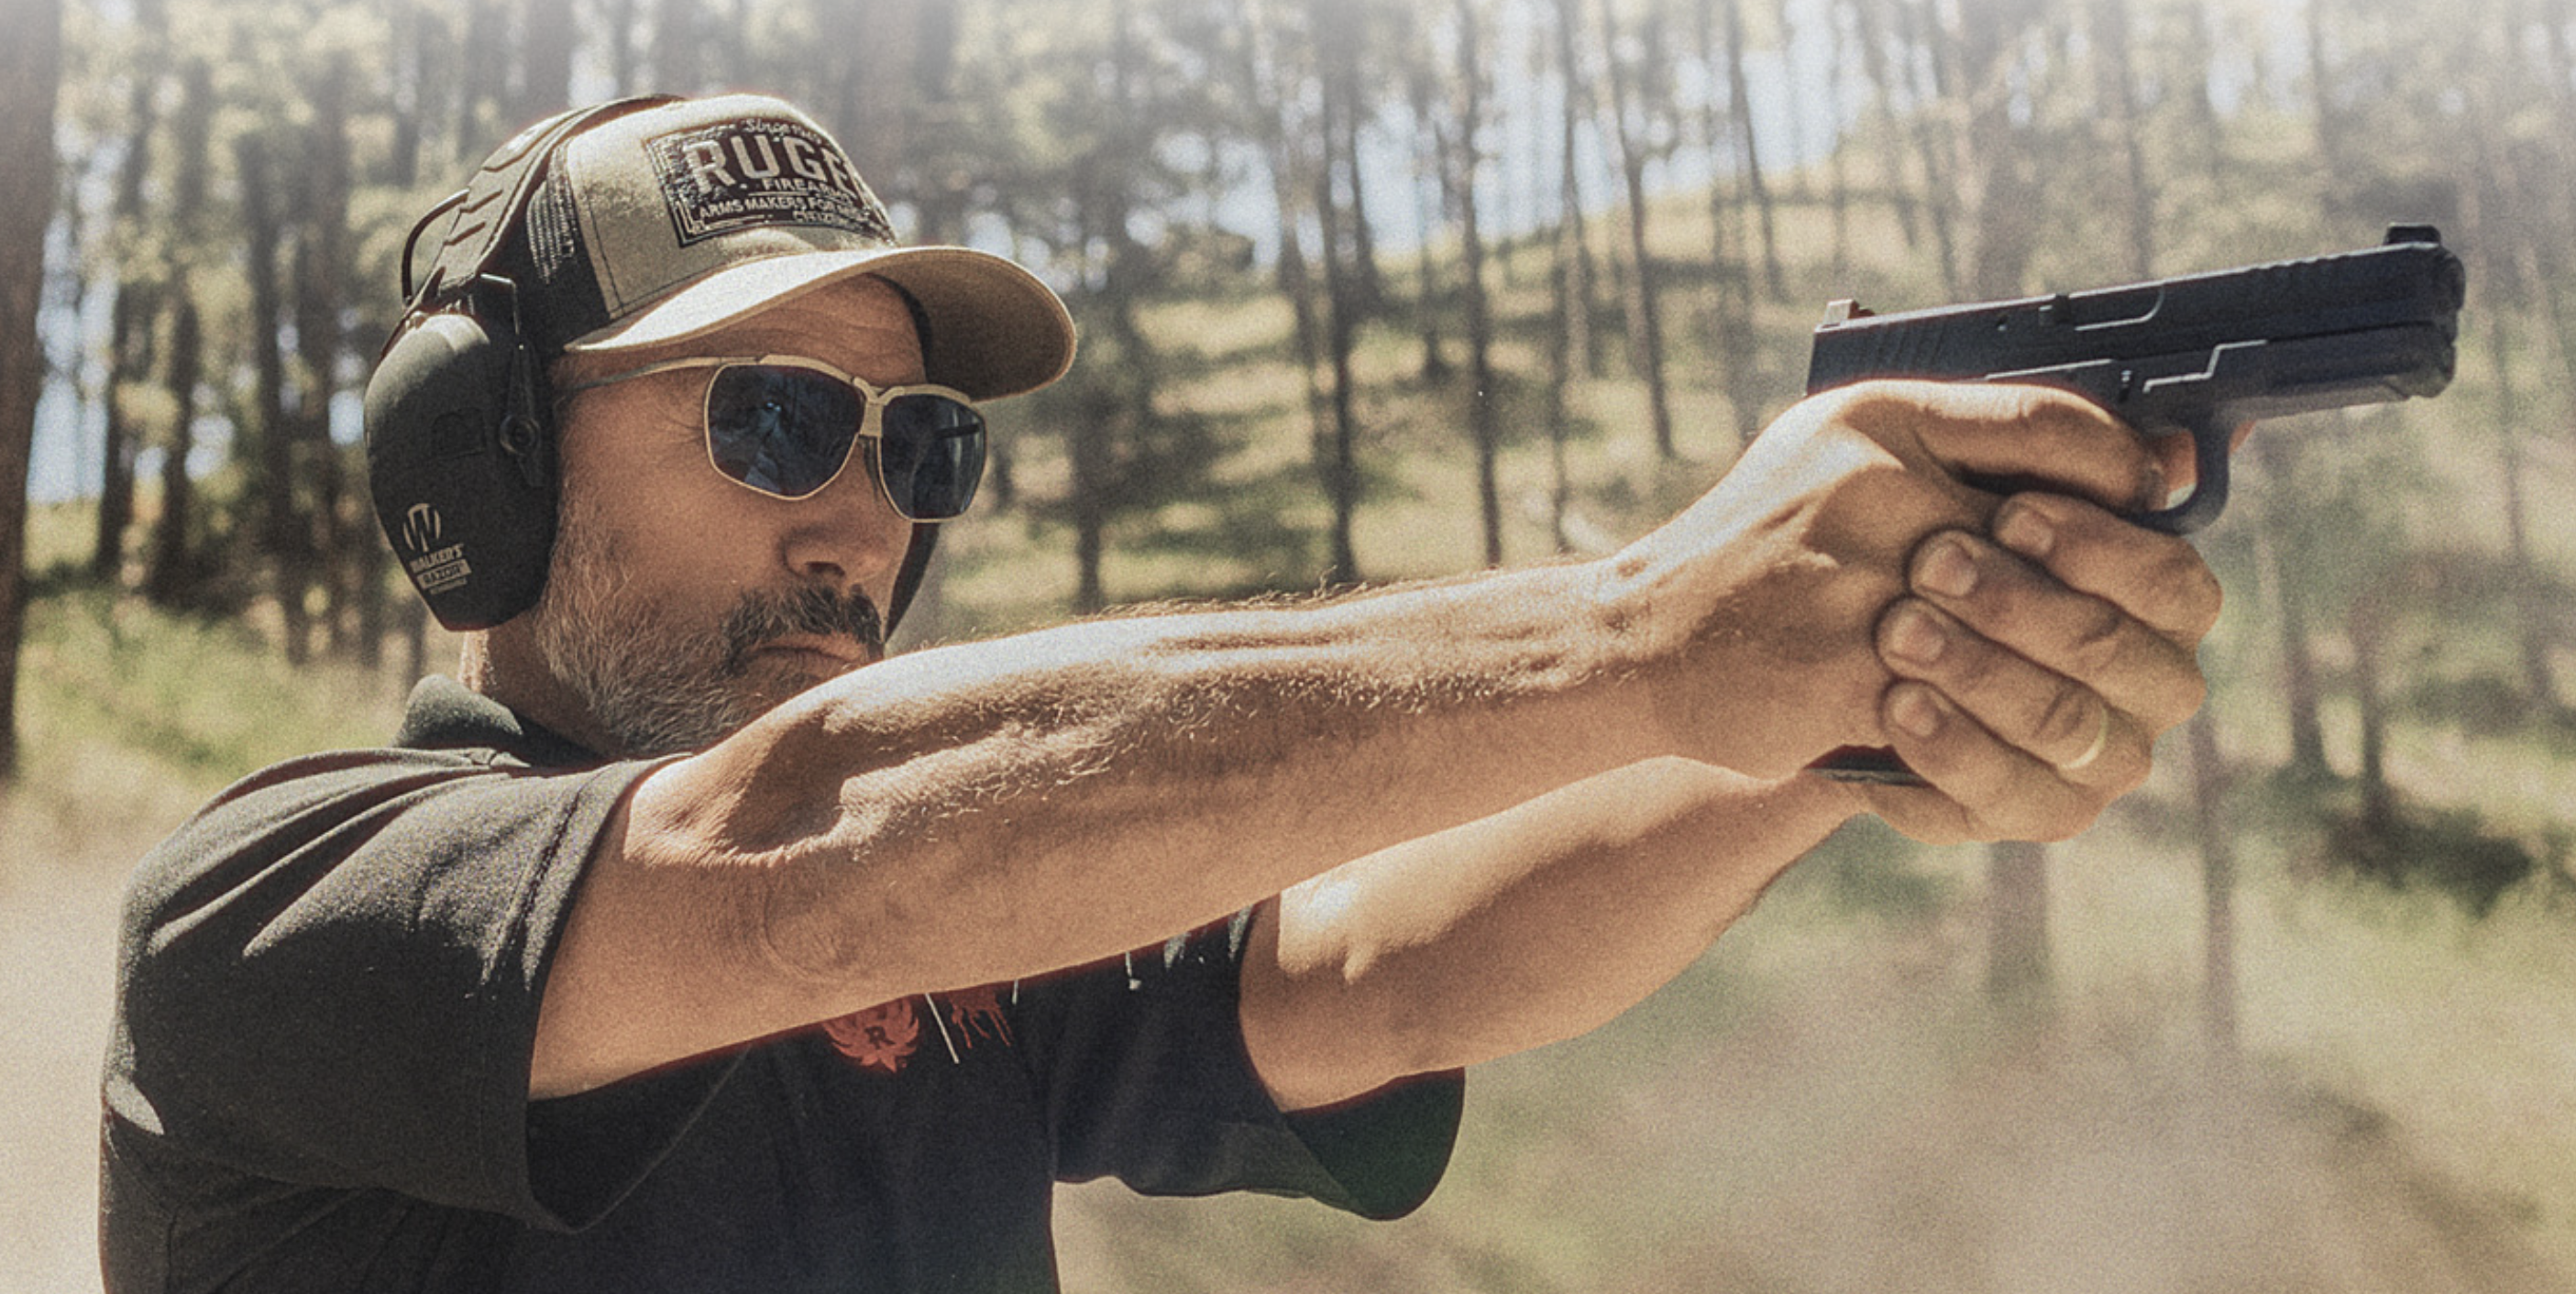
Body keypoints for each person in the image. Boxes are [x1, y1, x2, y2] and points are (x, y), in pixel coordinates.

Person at [99, 93, 2219, 1293]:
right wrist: (1642, 621)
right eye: (764, 421)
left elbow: (1379, 972)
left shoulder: (962, 928)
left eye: (911, 445)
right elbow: (796, 865)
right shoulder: (271, 921)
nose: (859, 517)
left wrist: (1854, 698)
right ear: (484, 469)